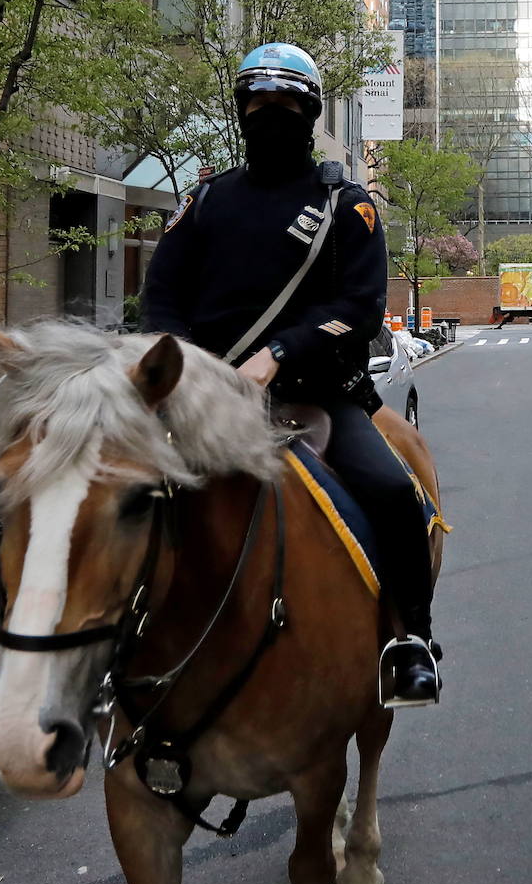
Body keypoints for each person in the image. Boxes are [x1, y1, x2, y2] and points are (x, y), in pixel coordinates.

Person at [141, 42, 441, 706]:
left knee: (394, 492)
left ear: (309, 114)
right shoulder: (207, 200)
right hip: (207, 400)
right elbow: (160, 297)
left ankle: (410, 639)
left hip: (318, 398)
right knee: (115, 498)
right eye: (257, 102)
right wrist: (185, 365)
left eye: (285, 104)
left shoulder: (347, 206)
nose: (268, 114)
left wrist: (279, 353)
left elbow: (360, 309)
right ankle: (107, 647)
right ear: (241, 110)